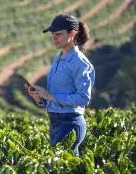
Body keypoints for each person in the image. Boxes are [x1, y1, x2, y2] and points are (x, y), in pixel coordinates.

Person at [28, 13, 95, 156]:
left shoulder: (80, 63)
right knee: (68, 172)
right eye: (52, 34)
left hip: (70, 122)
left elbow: (83, 98)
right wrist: (40, 98)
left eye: (58, 34)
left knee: (54, 164)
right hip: (54, 122)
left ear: (72, 33)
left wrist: (51, 96)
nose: (54, 37)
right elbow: (55, 96)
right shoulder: (58, 58)